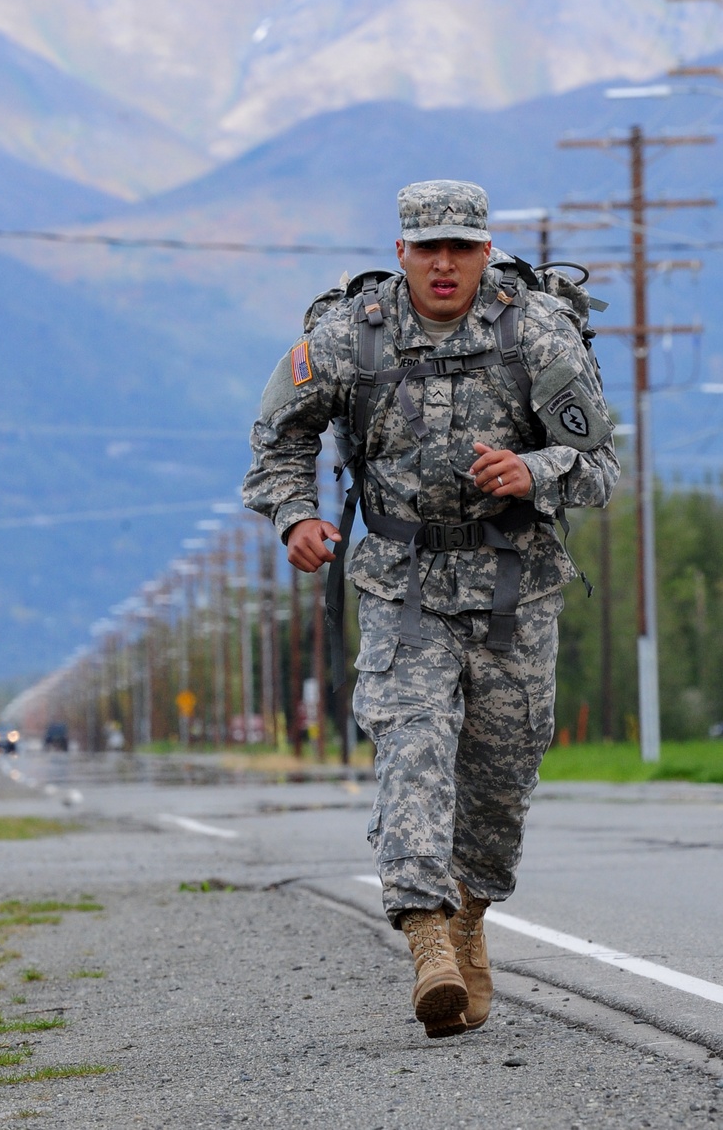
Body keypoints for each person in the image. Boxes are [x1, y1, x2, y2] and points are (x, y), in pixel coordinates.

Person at [243, 179, 619, 1038]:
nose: (443, 263)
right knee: (412, 750)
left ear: (487, 252)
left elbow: (600, 467)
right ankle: (426, 943)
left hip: (516, 591)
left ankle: (470, 918)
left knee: (498, 782)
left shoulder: (538, 331)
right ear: (402, 251)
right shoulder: (352, 335)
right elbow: (278, 435)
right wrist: (295, 513)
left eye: (461, 247)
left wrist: (535, 470)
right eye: (427, 248)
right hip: (401, 586)